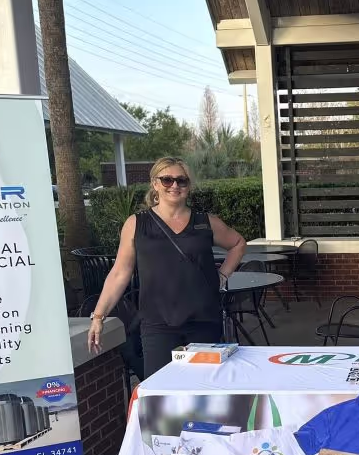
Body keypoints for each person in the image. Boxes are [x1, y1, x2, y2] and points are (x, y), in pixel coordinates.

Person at [86, 157, 246, 378]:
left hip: (204, 322)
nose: (174, 186)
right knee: (161, 390)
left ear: (189, 185)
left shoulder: (205, 222)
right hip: (158, 325)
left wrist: (222, 275)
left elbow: (238, 244)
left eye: (182, 180)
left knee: (203, 388)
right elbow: (120, 273)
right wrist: (98, 316)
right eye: (167, 180)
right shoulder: (137, 224)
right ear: (155, 184)